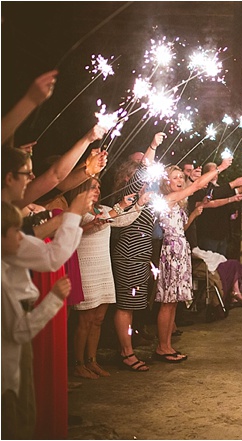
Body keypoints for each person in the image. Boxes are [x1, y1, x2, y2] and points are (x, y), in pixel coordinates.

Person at [1, 201, 72, 440]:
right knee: (18, 425)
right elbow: (19, 332)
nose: (23, 239)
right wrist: (53, 298)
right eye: (16, 233)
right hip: (7, 375)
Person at [66, 178, 146, 379]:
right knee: (85, 319)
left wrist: (138, 204)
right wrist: (118, 207)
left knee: (99, 318)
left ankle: (92, 361)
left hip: (103, 267)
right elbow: (72, 232)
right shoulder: (76, 211)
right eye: (93, 186)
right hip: (85, 267)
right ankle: (78, 363)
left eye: (99, 186)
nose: (97, 189)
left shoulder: (102, 209)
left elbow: (122, 220)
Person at [154, 162, 232, 363]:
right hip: (171, 251)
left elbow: (182, 227)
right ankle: (162, 347)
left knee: (173, 302)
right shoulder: (168, 198)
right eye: (176, 177)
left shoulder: (178, 203)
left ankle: (168, 345)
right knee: (167, 301)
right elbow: (197, 186)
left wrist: (194, 215)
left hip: (181, 248)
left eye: (181, 177)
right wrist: (219, 169)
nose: (180, 180)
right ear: (166, 182)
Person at [110, 133, 165, 372]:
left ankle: (128, 348)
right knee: (125, 305)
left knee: (132, 305)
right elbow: (144, 171)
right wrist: (152, 146)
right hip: (128, 255)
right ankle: (126, 353)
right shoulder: (128, 196)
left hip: (140, 256)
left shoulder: (142, 196)